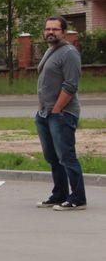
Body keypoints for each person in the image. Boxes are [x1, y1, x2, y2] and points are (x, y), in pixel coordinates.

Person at [35, 16, 86, 211]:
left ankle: (78, 198)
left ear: (63, 32)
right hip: (45, 114)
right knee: (52, 157)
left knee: (66, 156)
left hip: (62, 114)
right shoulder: (51, 50)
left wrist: (57, 110)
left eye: (55, 29)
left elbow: (71, 85)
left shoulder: (69, 53)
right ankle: (59, 194)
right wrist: (42, 108)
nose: (50, 32)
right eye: (47, 29)